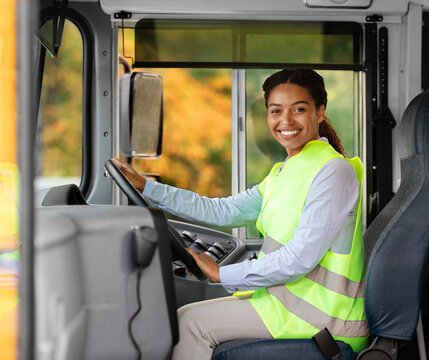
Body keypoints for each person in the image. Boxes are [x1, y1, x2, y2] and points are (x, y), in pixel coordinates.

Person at [114, 69, 369, 359]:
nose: (285, 121)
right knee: (185, 315)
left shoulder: (333, 172)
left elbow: (299, 259)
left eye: (299, 109)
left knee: (190, 324)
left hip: (325, 319)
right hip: (287, 305)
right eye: (276, 111)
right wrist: (146, 187)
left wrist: (221, 273)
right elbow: (221, 210)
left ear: (320, 112)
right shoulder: (284, 172)